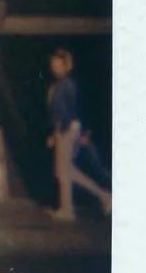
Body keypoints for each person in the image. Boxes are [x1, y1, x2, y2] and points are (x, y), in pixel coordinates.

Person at [45, 47, 111, 220]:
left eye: (58, 64)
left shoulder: (67, 85)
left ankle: (68, 209)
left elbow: (70, 110)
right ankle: (102, 197)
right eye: (53, 64)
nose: (54, 67)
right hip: (65, 129)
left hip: (67, 129)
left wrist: (60, 132)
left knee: (63, 171)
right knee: (67, 170)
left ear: (66, 66)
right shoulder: (59, 85)